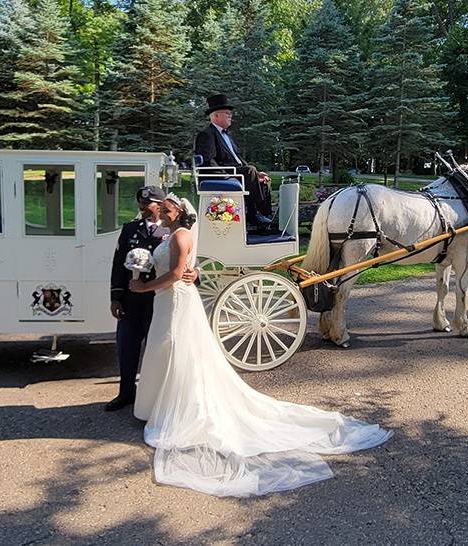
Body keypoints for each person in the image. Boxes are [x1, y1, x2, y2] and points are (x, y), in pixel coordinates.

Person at [128, 194, 391, 497]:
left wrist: (144, 286)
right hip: (171, 300)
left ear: (177, 213)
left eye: (166, 208)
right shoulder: (171, 234)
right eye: (161, 208)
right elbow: (181, 268)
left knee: (175, 348)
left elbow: (179, 270)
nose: (161, 211)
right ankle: (162, 404)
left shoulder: (179, 235)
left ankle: (171, 406)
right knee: (171, 348)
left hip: (173, 299)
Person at [105, 186, 197, 412]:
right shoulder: (130, 229)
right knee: (126, 347)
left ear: (160, 206)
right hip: (131, 300)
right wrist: (116, 297)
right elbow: (118, 264)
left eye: (147, 206)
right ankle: (126, 393)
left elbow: (186, 263)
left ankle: (156, 397)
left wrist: (196, 274)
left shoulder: (174, 231)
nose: (143, 210)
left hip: (159, 298)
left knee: (159, 352)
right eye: (141, 206)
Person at [194, 94, 274, 226]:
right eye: (227, 113)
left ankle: (265, 217)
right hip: (221, 174)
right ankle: (254, 215)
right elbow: (209, 161)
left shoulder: (228, 135)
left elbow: (238, 159)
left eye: (230, 113)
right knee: (249, 171)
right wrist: (228, 176)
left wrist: (257, 174)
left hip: (236, 172)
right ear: (216, 116)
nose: (230, 115)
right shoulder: (207, 134)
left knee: (263, 180)